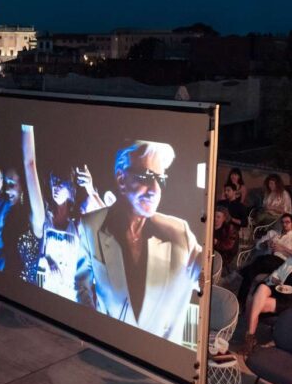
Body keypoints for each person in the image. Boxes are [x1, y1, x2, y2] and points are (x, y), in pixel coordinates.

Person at [75, 140, 203, 342]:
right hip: (107, 351)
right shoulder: (90, 226)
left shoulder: (180, 232)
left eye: (160, 180)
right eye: (145, 177)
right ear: (121, 179)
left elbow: (204, 275)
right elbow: (80, 287)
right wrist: (93, 329)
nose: (155, 190)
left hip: (161, 363)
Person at [21, 124, 103, 296]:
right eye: (54, 181)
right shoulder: (43, 217)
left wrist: (89, 187)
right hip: (45, 295)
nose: (56, 186)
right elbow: (30, 165)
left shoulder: (78, 221)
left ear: (71, 188)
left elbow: (105, 217)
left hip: (72, 298)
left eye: (62, 181)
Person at [240, 243, 292, 354]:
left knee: (253, 303)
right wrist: (276, 280)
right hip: (278, 292)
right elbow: (275, 275)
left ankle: (250, 339)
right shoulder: (291, 262)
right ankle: (250, 338)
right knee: (262, 287)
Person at [236, 213, 292, 304]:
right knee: (251, 272)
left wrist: (283, 249)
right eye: (282, 222)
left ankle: (240, 274)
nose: (284, 224)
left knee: (254, 266)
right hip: (265, 260)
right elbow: (258, 245)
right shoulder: (272, 233)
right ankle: (241, 302)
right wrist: (266, 243)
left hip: (280, 263)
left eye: (287, 222)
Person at [0, 168, 38, 283]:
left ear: (22, 186)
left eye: (11, 184)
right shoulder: (6, 214)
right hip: (5, 284)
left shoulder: (32, 216)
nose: (7, 190)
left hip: (25, 291)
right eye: (6, 184)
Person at [212, 205, 238, 275]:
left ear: (224, 218)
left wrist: (217, 243)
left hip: (223, 255)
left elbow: (229, 246)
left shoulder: (230, 229)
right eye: (214, 216)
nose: (215, 219)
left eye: (218, 217)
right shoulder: (209, 226)